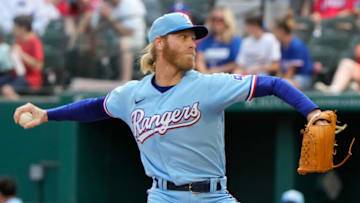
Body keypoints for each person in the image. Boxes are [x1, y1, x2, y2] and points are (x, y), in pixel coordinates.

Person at [14, 13, 324, 203]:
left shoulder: (208, 85)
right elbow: (95, 107)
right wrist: (47, 114)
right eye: (184, 37)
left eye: (194, 38)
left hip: (213, 196)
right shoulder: (131, 95)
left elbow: (273, 84)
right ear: (160, 43)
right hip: (162, 195)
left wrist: (312, 112)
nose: (193, 43)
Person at [91, 0, 146, 82]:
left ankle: (124, 81)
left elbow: (128, 33)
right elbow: (94, 27)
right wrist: (102, 17)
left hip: (135, 39)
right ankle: (98, 77)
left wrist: (109, 17)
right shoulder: (103, 5)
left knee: (123, 43)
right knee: (94, 40)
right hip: (110, 40)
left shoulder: (131, 4)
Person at [273, 12, 313, 90]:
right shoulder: (281, 45)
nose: (274, 33)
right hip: (288, 78)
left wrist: (279, 82)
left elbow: (291, 71)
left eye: (275, 30)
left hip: (302, 78)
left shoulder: (296, 45)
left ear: (281, 31)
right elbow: (281, 69)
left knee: (283, 85)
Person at [196, 7, 241, 74]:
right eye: (213, 19)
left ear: (227, 21)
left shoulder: (235, 40)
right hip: (208, 78)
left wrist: (213, 72)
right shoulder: (206, 40)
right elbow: (199, 59)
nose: (216, 22)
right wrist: (204, 74)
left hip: (228, 79)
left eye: (220, 20)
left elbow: (237, 63)